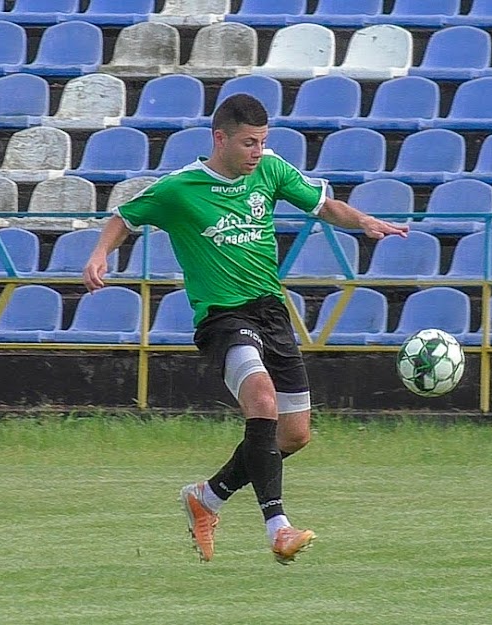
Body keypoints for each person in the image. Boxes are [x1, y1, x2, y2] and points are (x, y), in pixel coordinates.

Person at [82, 94, 408, 564]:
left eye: (262, 142)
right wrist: (99, 255)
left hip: (271, 312)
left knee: (293, 435)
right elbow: (124, 218)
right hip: (222, 318)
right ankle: (279, 528)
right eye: (249, 143)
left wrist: (364, 222)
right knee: (262, 399)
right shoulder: (179, 189)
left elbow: (323, 206)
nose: (257, 152)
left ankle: (207, 498)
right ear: (220, 138)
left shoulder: (270, 170)